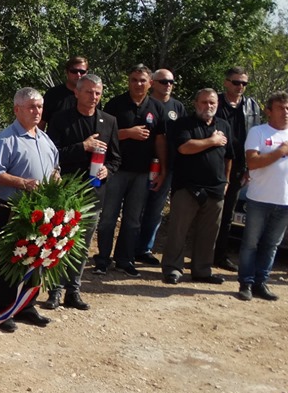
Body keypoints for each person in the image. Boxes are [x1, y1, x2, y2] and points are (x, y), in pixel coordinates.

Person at [46, 74, 121, 310]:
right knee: (60, 241)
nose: (94, 97)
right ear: (77, 93)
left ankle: (73, 291)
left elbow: (116, 158)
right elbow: (51, 153)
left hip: (93, 194)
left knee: (82, 245)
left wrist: (107, 170)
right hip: (66, 191)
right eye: (89, 92)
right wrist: (83, 147)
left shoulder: (109, 121)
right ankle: (54, 291)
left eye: (98, 93)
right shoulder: (60, 119)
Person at [0, 87, 59, 332]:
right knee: (8, 260)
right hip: (13, 208)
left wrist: (56, 179)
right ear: (17, 110)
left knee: (36, 257)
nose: (37, 111)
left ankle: (26, 306)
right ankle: (2, 310)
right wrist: (23, 183)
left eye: (39, 107)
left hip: (41, 211)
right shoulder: (6, 139)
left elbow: (55, 168)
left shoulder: (45, 139)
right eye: (31, 106)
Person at [94, 64, 167, 277]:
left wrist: (162, 169)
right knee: (108, 217)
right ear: (129, 81)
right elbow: (103, 135)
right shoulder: (115, 104)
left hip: (143, 172)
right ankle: (102, 259)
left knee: (133, 220)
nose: (138, 84)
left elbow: (161, 140)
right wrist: (128, 133)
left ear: (150, 83)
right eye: (134, 79)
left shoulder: (157, 107)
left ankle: (124, 260)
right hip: (116, 170)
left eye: (142, 80)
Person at [161, 89, 233, 285]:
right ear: (195, 103)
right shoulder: (183, 124)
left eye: (212, 103)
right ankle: (173, 269)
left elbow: (228, 157)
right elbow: (185, 147)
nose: (208, 106)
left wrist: (226, 181)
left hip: (215, 189)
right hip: (187, 187)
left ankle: (202, 270)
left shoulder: (224, 125)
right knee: (178, 230)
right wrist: (212, 141)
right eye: (204, 102)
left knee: (209, 233)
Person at [236, 91, 288, 301]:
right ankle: (246, 283)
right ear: (268, 111)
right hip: (259, 198)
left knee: (271, 245)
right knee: (250, 243)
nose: (285, 112)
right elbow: (253, 163)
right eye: (280, 108)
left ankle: (261, 283)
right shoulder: (258, 132)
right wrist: (280, 151)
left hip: (284, 201)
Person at [136, 68, 187, 265]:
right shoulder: (145, 104)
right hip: (142, 165)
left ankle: (144, 249)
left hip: (168, 166)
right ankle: (127, 249)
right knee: (136, 209)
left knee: (155, 209)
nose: (168, 85)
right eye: (164, 81)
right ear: (152, 83)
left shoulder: (178, 107)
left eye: (171, 82)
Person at [213, 67, 262, 271]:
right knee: (208, 211)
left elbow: (255, 138)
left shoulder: (252, 106)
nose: (240, 86)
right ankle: (200, 255)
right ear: (226, 82)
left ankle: (220, 256)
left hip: (238, 165)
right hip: (214, 163)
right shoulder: (215, 102)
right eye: (236, 82)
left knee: (228, 214)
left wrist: (250, 168)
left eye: (244, 83)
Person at [41, 56, 88, 130]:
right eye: (74, 71)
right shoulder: (53, 94)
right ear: (67, 72)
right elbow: (41, 123)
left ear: (86, 73)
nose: (78, 75)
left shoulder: (92, 96)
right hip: (56, 140)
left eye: (82, 72)